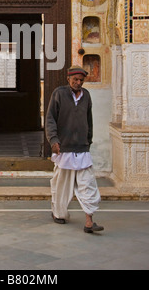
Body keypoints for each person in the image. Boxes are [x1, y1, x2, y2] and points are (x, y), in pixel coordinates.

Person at [45, 65, 104, 234]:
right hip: (64, 148)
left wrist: (88, 140)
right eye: (75, 80)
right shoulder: (59, 94)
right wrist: (53, 140)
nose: (78, 83)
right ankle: (59, 213)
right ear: (68, 79)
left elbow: (89, 120)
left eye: (81, 80)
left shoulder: (86, 96)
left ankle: (89, 221)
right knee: (62, 186)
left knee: (88, 185)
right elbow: (50, 119)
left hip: (82, 148)